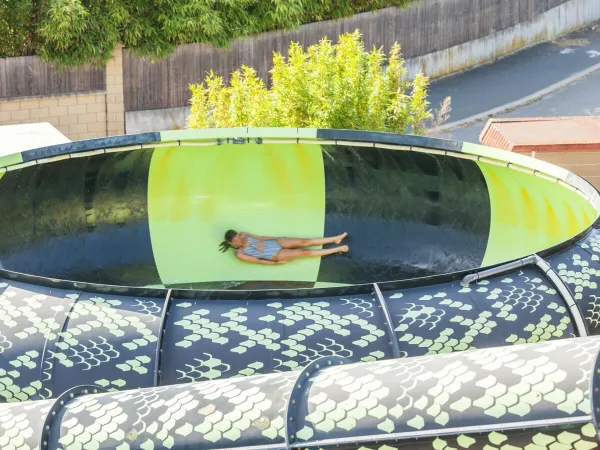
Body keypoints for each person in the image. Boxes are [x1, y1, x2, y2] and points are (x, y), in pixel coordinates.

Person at [219, 230, 349, 265]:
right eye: (236, 240)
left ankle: (335, 239)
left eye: (238, 237)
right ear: (231, 243)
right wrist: (275, 264)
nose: (239, 240)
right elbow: (258, 260)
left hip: (275, 242)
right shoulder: (240, 253)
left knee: (305, 241)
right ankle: (337, 249)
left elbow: (261, 237)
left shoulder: (244, 234)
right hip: (274, 254)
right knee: (305, 252)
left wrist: (277, 238)